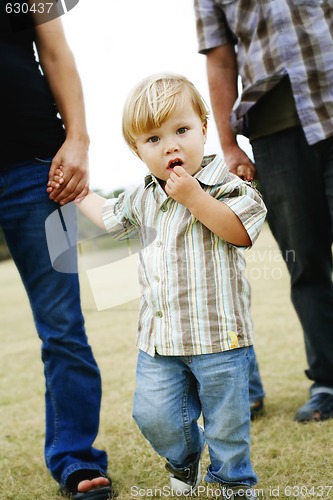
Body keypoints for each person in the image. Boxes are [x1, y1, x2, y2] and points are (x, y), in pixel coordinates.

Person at [52, 73, 266, 499]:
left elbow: (240, 231)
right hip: (159, 341)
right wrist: (77, 195)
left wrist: (194, 198)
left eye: (182, 131)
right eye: (153, 139)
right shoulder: (142, 196)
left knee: (228, 423)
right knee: (152, 414)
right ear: (138, 150)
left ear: (204, 127)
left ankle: (233, 481)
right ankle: (184, 457)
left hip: (220, 338)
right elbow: (110, 215)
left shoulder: (228, 185)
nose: (170, 145)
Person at [194, 0, 333, 422]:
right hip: (274, 131)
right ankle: (328, 381)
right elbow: (221, 63)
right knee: (304, 262)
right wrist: (229, 145)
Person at [0, 1, 112, 498]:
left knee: (62, 326)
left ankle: (74, 457)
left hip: (36, 167)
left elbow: (56, 50)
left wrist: (79, 139)